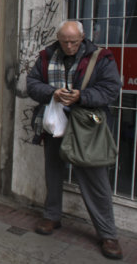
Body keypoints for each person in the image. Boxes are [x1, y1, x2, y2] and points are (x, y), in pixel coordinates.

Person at [26, 20, 123, 260]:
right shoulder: (47, 55)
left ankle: (107, 233)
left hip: (86, 129)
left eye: (74, 41)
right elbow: (32, 84)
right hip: (54, 126)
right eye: (64, 41)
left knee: (94, 179)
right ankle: (51, 217)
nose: (69, 46)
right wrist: (52, 93)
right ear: (58, 38)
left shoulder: (101, 57)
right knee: (53, 172)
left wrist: (81, 96)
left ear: (83, 38)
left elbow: (111, 89)